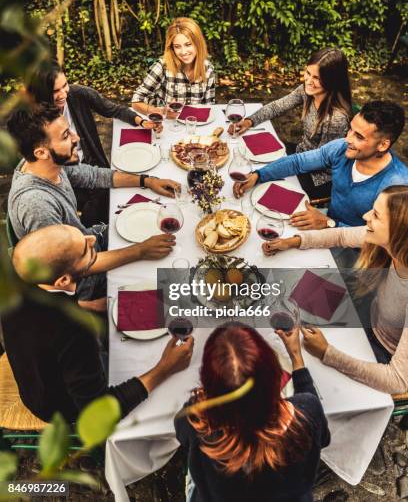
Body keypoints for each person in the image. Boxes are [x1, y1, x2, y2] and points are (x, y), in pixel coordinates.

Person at [1, 224, 194, 423]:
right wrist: (165, 367)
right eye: (85, 249)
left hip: (38, 372)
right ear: (63, 280)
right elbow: (96, 411)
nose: (92, 240)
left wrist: (88, 305)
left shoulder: (20, 279)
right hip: (60, 407)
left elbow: (39, 322)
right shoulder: (74, 330)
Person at [7, 104, 180, 303]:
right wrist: (139, 251)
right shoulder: (36, 205)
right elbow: (70, 267)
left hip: (88, 241)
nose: (76, 138)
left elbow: (93, 175)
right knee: (163, 284)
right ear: (41, 153)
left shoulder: (48, 164)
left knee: (156, 225)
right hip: (82, 278)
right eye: (65, 136)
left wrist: (147, 181)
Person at [263, 185, 408, 394]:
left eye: (375, 215)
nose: (366, 216)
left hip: (383, 353)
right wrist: (292, 242)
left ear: (398, 232)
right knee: (287, 299)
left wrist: (326, 353)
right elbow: (339, 235)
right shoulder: (385, 240)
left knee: (310, 377)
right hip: (367, 317)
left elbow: (397, 380)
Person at [175, 324, 330, 502]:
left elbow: (182, 435)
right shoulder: (306, 411)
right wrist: (296, 358)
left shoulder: (197, 420)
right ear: (274, 375)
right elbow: (323, 438)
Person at [26, 61, 161, 225]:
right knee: (106, 212)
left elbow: (114, 109)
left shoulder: (77, 94)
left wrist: (141, 122)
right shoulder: (37, 121)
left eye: (65, 85)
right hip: (69, 178)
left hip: (93, 167)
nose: (63, 94)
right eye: (55, 91)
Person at [234, 101, 407, 228]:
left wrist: (330, 224)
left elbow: (383, 238)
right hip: (325, 223)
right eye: (350, 129)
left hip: (356, 256)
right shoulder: (342, 148)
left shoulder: (397, 185)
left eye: (359, 137)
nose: (348, 139)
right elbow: (297, 162)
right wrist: (259, 175)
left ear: (383, 145)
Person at [229, 48, 352, 200]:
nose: (308, 81)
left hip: (317, 176)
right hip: (299, 154)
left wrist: (265, 174)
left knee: (262, 192)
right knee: (246, 155)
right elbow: (278, 106)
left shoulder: (336, 119)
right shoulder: (308, 91)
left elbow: (319, 160)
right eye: (308, 73)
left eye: (317, 78)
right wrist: (250, 121)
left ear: (332, 80)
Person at [132, 17, 215, 117]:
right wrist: (161, 111)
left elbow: (209, 107)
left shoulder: (208, 68)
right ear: (172, 48)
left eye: (188, 44)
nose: (183, 52)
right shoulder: (162, 66)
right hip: (167, 125)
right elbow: (136, 101)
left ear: (198, 44)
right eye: (177, 46)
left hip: (194, 126)